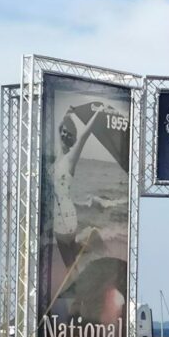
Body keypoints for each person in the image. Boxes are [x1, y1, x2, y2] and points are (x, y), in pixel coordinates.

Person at [52, 103, 106, 267]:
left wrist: (98, 112)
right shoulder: (58, 158)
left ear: (71, 139)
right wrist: (68, 114)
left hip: (65, 218)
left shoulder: (70, 160)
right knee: (71, 252)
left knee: (69, 262)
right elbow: (60, 127)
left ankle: (82, 256)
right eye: (63, 132)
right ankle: (91, 247)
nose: (64, 134)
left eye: (68, 134)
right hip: (60, 217)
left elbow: (84, 135)